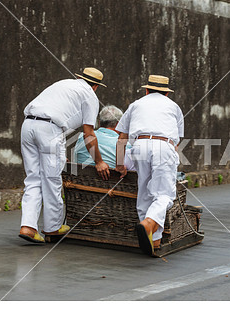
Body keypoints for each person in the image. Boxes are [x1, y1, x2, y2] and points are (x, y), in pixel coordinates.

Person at [19, 67, 110, 244]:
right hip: (50, 130)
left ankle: (28, 226)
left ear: (79, 78)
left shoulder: (63, 84)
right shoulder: (90, 96)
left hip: (28, 126)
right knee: (52, 179)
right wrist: (98, 161)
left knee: (33, 178)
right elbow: (89, 133)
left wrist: (58, 153)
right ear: (96, 87)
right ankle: (53, 227)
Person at [115, 75, 184, 255]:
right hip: (163, 145)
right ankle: (148, 224)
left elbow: (121, 138)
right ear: (166, 94)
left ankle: (154, 242)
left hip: (139, 145)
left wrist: (120, 164)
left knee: (144, 194)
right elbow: (175, 143)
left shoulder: (136, 104)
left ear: (146, 90)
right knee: (164, 195)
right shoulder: (174, 107)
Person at [73, 105, 133, 169]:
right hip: (111, 178)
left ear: (99, 122)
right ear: (118, 124)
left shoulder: (81, 137)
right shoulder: (127, 145)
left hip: (79, 178)